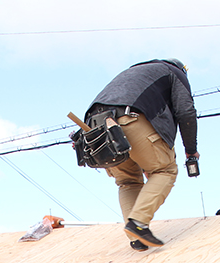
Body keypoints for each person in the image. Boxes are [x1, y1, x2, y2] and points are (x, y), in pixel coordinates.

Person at [84, 58, 200, 251]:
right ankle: (138, 223)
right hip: (129, 117)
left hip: (98, 127)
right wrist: (190, 149)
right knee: (165, 170)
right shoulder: (175, 72)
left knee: (127, 181)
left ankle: (135, 236)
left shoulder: (132, 74)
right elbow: (185, 111)